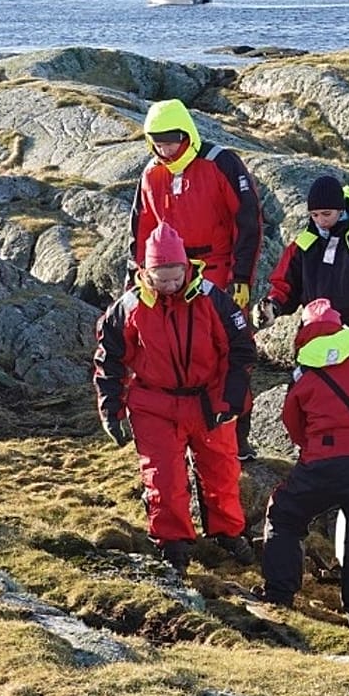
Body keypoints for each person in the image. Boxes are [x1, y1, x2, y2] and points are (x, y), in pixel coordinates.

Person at [94, 223, 257, 578]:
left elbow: (241, 350)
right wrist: (111, 410)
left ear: (186, 267)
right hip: (154, 404)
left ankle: (228, 533)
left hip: (208, 401)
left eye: (176, 277)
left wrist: (230, 401)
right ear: (145, 272)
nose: (170, 285)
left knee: (222, 471)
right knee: (163, 478)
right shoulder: (128, 307)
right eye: (162, 278)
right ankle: (173, 544)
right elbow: (110, 360)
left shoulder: (213, 299)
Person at [132, 98, 264, 461]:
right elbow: (141, 228)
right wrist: (139, 276)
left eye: (171, 140)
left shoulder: (221, 163)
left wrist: (242, 278)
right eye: (158, 142)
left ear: (187, 134)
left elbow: (248, 222)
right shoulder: (151, 174)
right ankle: (183, 436)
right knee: (174, 353)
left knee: (229, 352)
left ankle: (236, 438)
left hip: (218, 271)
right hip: (166, 276)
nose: (165, 148)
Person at [259, 299, 349, 632]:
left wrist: (313, 449)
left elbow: (293, 423)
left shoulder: (303, 374)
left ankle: (279, 595)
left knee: (284, 516)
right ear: (339, 329)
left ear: (303, 334)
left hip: (322, 464)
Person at [254, 175, 349, 367]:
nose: (321, 221)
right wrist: (272, 307)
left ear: (341, 210)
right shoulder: (304, 245)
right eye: (314, 215)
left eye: (326, 214)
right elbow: (285, 286)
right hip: (313, 337)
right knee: (311, 385)